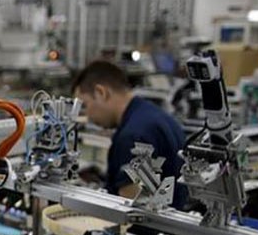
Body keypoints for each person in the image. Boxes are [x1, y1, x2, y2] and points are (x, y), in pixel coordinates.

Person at [72, 60, 188, 209]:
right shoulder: (156, 116)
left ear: (101, 92)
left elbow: (132, 212)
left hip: (150, 232)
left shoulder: (132, 137)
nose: (87, 116)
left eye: (85, 105)